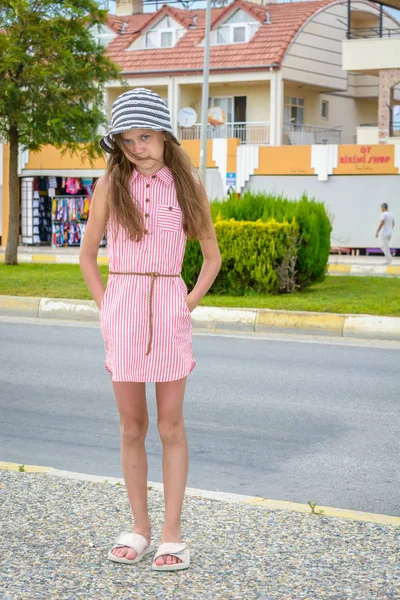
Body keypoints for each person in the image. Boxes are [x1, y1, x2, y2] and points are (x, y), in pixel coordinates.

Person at [80, 88, 222, 572]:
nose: (137, 146)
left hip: (168, 303)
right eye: (127, 139)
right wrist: (107, 307)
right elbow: (87, 256)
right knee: (131, 425)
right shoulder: (108, 187)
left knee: (170, 425)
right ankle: (139, 528)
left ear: (164, 135)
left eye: (145, 136)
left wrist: (186, 304)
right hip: (123, 305)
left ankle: (171, 533)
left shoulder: (188, 187)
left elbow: (211, 257)